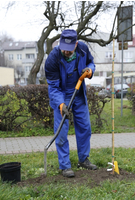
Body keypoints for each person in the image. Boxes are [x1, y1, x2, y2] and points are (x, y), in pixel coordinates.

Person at [44, 29, 97, 178]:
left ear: (76, 44)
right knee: (61, 131)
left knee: (85, 127)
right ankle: (65, 166)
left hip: (78, 93)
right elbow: (53, 87)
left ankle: (83, 159)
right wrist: (60, 104)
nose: (66, 52)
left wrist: (90, 70)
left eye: (69, 49)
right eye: (64, 49)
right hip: (62, 94)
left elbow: (91, 63)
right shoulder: (52, 59)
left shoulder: (83, 49)